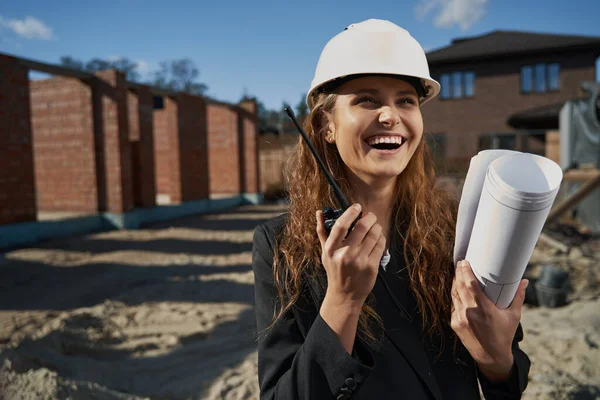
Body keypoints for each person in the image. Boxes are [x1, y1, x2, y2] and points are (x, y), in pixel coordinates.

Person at [252, 19, 530, 400]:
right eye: (367, 99)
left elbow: (507, 376)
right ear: (325, 125)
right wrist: (343, 302)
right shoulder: (280, 244)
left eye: (406, 101)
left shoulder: (457, 228)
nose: (390, 115)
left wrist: (498, 359)